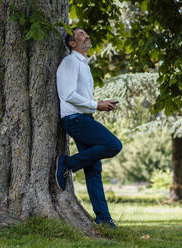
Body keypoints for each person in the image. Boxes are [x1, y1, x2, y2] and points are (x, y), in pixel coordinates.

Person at [55, 27, 122, 228]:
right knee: (113, 145)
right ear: (72, 44)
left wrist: (99, 103)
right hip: (74, 119)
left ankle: (103, 219)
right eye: (80, 35)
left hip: (83, 117)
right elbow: (67, 94)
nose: (86, 36)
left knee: (94, 168)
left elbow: (80, 96)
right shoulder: (70, 61)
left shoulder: (83, 65)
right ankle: (67, 163)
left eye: (86, 33)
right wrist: (96, 105)